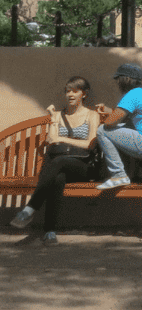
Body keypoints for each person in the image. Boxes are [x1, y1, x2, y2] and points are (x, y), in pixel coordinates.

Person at [10, 75, 100, 246]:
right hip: (59, 167)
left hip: (83, 167)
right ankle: (50, 232)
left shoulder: (92, 115)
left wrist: (63, 139)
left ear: (84, 93)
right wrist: (52, 119)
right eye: (68, 91)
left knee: (59, 162)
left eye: (75, 91)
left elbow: (90, 144)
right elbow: (52, 141)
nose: (70, 95)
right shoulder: (58, 115)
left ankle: (29, 209)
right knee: (58, 178)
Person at [94, 63, 142, 189]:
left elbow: (110, 123)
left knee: (102, 130)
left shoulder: (132, 95)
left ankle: (119, 175)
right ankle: (126, 174)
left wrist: (105, 116)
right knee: (124, 126)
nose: (117, 83)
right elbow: (128, 115)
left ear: (124, 80)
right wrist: (109, 111)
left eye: (118, 80)